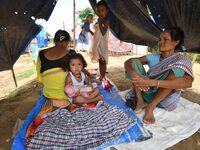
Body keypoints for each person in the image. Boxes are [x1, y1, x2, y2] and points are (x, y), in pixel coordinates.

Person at [124, 27, 193, 124]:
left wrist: (151, 82)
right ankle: (140, 101)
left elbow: (188, 83)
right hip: (145, 93)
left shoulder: (181, 61)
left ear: (176, 42)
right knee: (134, 62)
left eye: (165, 39)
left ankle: (151, 107)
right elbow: (128, 62)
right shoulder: (153, 57)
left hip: (162, 100)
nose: (161, 42)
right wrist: (137, 77)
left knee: (176, 70)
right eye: (159, 39)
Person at [90, 0, 109, 81]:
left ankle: (103, 76)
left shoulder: (106, 21)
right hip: (97, 44)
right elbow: (96, 33)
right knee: (100, 60)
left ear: (106, 11)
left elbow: (103, 32)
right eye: (98, 11)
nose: (100, 13)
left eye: (102, 10)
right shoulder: (98, 21)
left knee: (103, 60)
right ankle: (101, 76)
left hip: (103, 44)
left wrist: (100, 23)